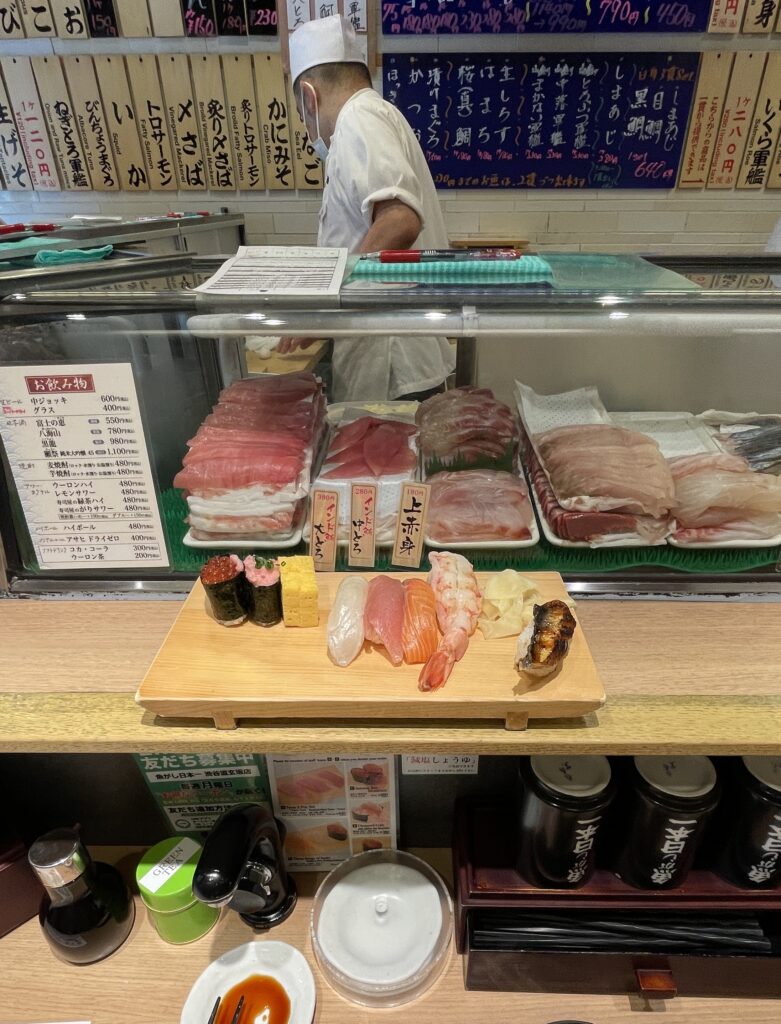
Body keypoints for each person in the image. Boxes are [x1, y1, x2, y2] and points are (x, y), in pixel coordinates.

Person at [279, 14, 455, 403]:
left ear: (309, 96)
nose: (311, 130)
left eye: (303, 117)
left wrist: (324, 308)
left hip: (394, 370)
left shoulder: (359, 119)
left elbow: (399, 220)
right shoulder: (375, 116)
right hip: (394, 364)